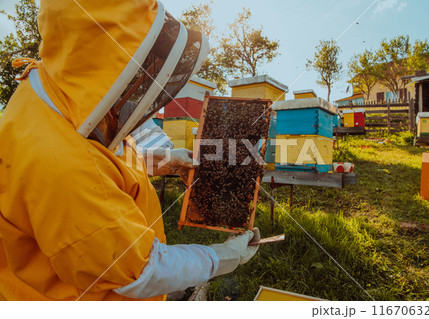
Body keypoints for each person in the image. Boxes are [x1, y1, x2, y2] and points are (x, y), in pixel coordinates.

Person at [0, 0, 260, 301]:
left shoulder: (48, 88)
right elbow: (141, 272)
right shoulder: (62, 166)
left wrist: (164, 161)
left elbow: (101, 160)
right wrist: (225, 256)